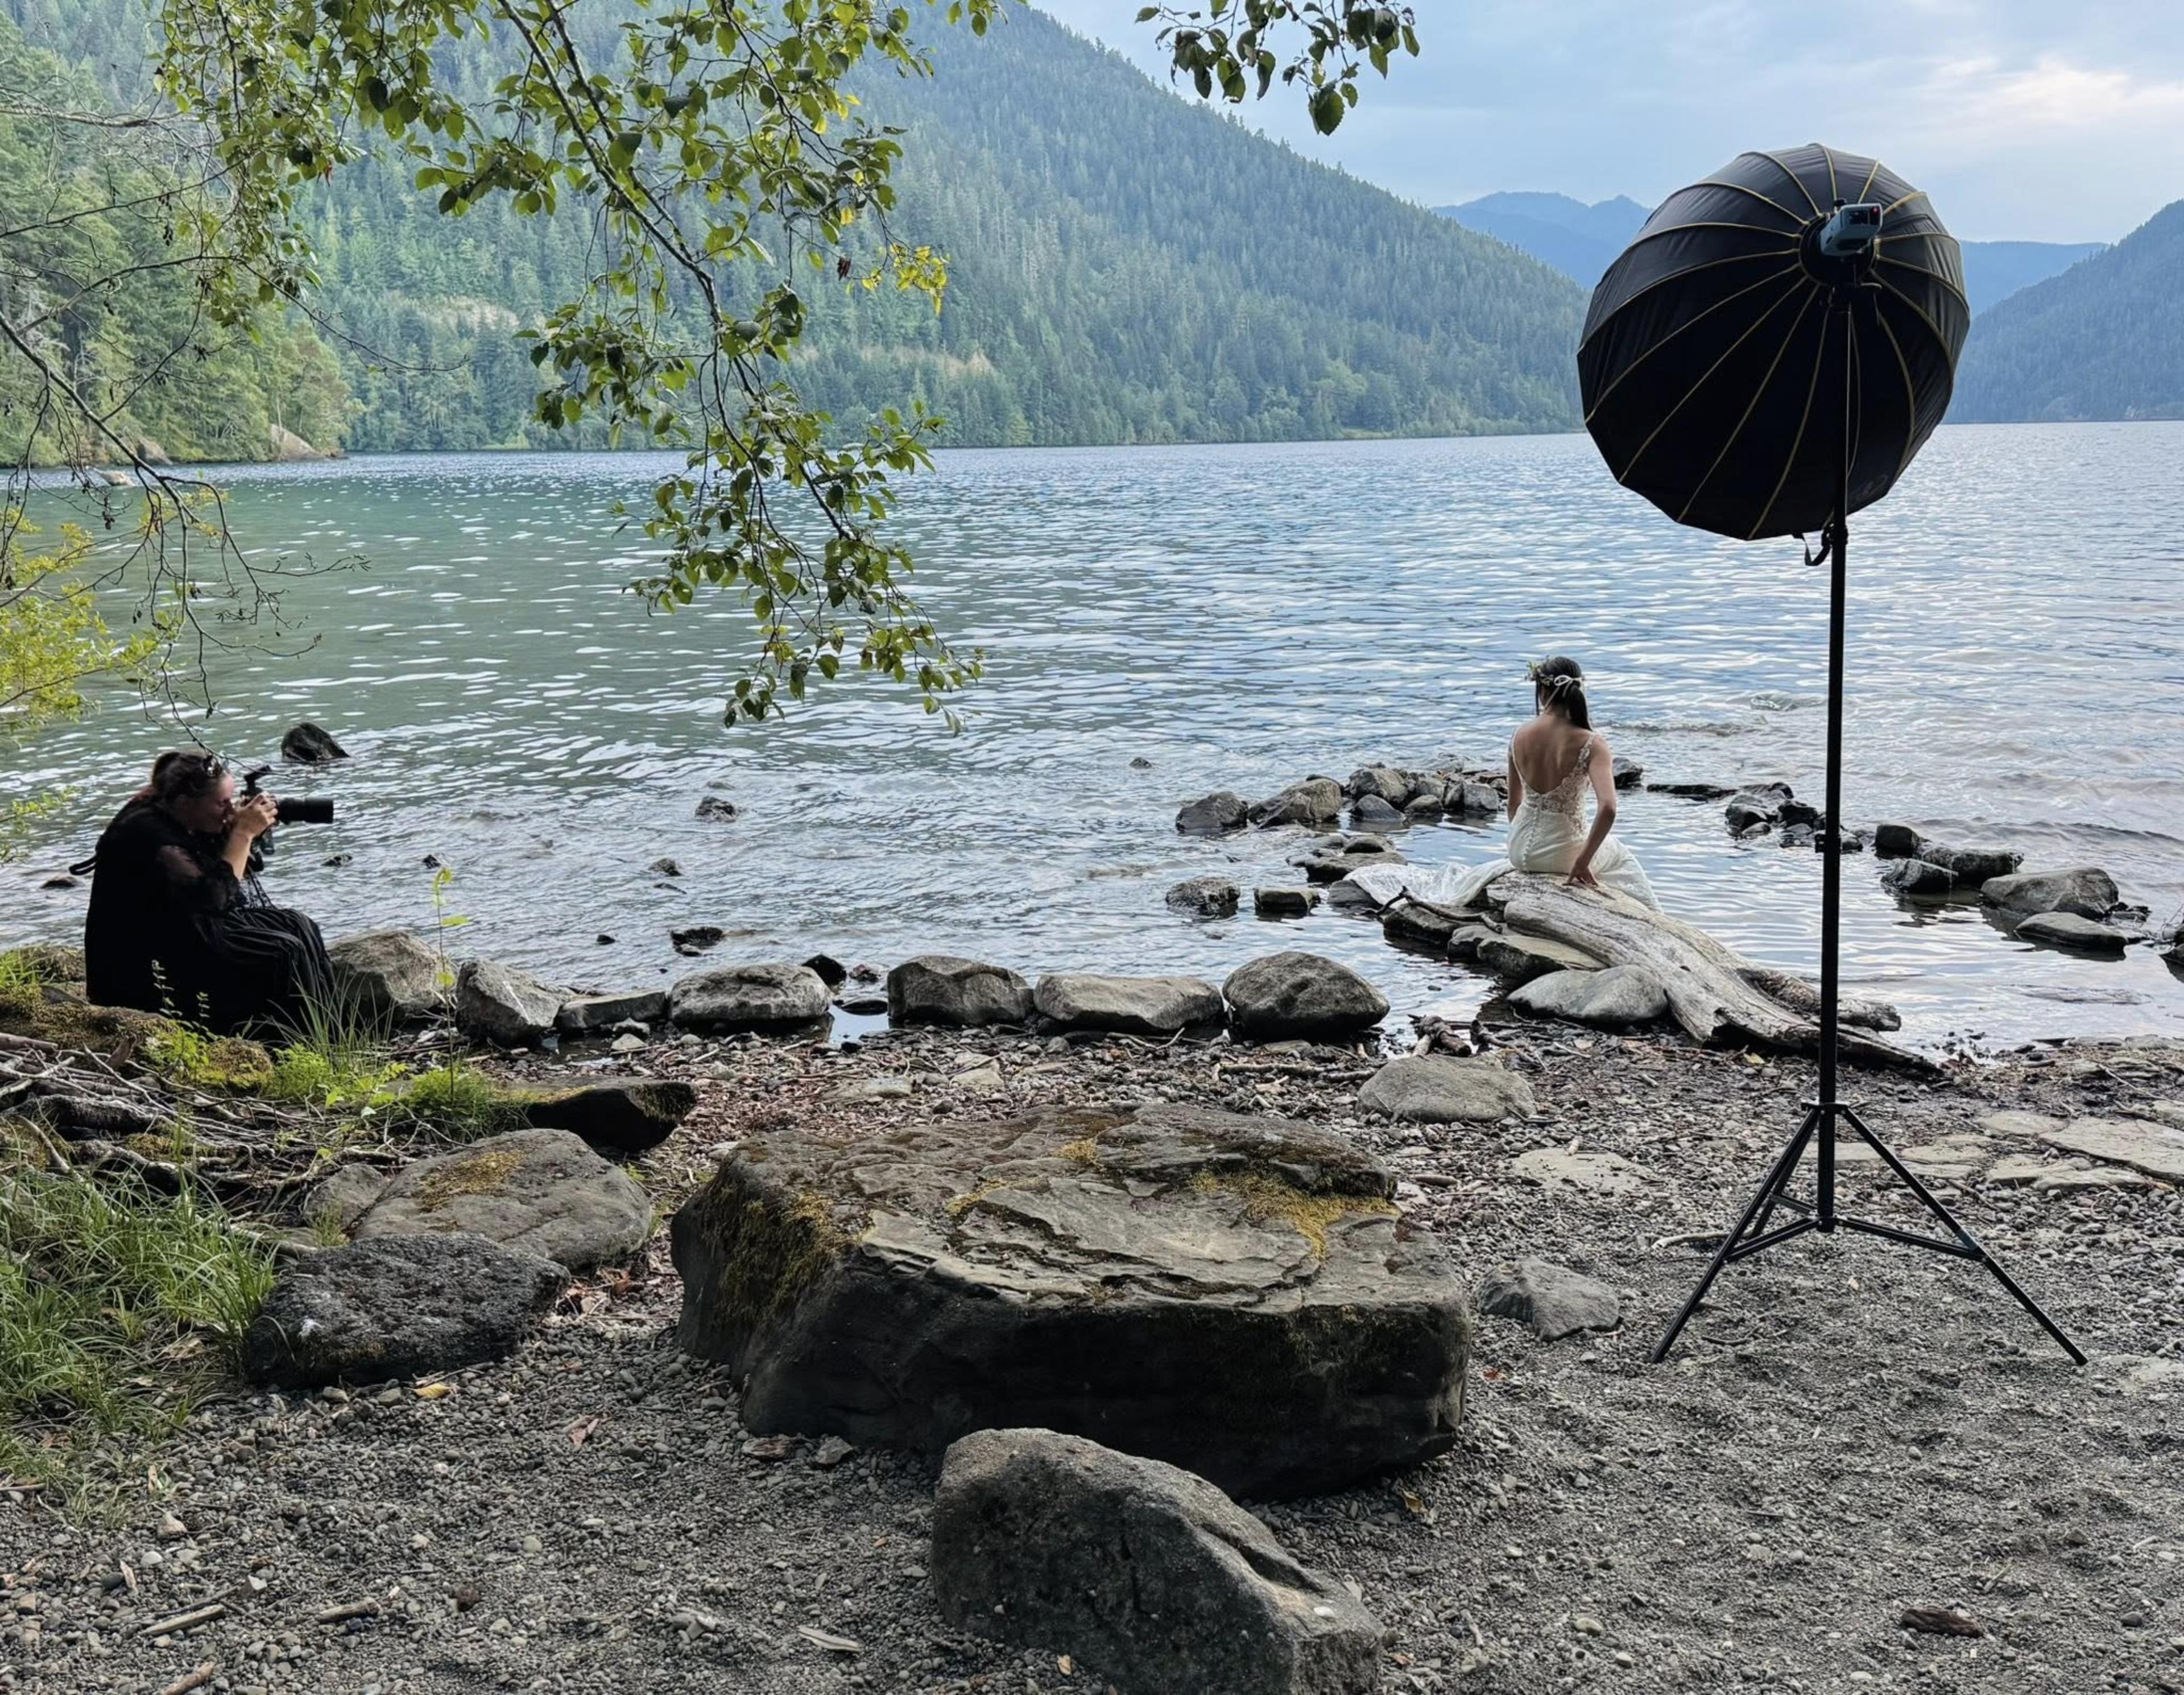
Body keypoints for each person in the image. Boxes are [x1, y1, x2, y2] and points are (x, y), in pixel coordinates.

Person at [84, 751, 334, 1035]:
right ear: (185, 802)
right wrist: (242, 834)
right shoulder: (149, 833)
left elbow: (226, 878)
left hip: (180, 928)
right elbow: (216, 898)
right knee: (284, 952)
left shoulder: (179, 813)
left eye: (231, 801)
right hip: (143, 966)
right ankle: (288, 1043)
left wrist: (236, 832)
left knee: (299, 925)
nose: (230, 811)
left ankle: (326, 1030)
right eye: (221, 803)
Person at [1503, 656, 1660, 909]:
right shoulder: (1591, 743)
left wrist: (1519, 840)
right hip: (1562, 856)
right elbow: (1608, 808)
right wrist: (1582, 862)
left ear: (1542, 690)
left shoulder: (1518, 735)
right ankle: (1650, 920)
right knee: (1620, 858)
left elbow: (1513, 805)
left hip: (1518, 851)